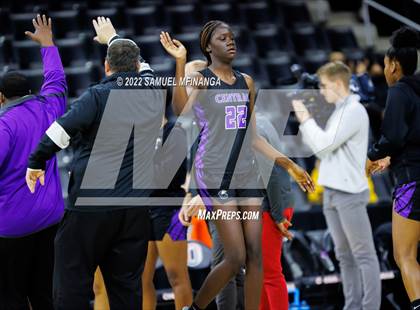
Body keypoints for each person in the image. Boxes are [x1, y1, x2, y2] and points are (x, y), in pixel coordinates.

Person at [160, 20, 314, 310]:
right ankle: (195, 308)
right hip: (215, 174)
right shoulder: (201, 79)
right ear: (208, 46)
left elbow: (253, 137)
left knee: (255, 256)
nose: (231, 41)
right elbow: (180, 109)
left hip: (245, 175)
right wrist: (180, 63)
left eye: (232, 37)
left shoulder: (247, 82)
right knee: (235, 258)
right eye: (222, 38)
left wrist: (290, 165)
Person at [26, 17, 161, 309]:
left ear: (106, 68)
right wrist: (114, 37)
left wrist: (36, 162)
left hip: (90, 209)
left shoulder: (97, 96)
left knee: (71, 286)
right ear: (136, 67)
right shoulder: (151, 90)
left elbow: (58, 133)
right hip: (134, 211)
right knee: (127, 289)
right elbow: (145, 66)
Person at [292, 61, 381, 310]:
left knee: (363, 255)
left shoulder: (354, 111)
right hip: (331, 190)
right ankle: (352, 305)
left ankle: (370, 306)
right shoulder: (340, 110)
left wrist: (304, 116)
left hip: (349, 192)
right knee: (344, 257)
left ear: (339, 84)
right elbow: (321, 149)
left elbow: (322, 145)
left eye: (324, 86)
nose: (321, 91)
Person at [0, 15, 66, 310]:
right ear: (29, 91)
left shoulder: (4, 126)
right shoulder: (51, 107)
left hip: (12, 228)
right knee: (43, 296)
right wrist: (47, 44)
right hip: (51, 219)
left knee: (11, 297)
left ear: (1, 98)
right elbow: (56, 80)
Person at [367, 27, 420, 310]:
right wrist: (392, 157)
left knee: (405, 255)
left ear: (394, 65)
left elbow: (393, 136)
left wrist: (373, 155)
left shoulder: (399, 90)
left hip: (411, 181)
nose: (386, 70)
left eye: (386, 65)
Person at [142, 110, 193, 310]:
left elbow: (168, 175)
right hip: (143, 209)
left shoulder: (175, 132)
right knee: (142, 278)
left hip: (170, 208)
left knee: (176, 275)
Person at [256, 112, 294, 310]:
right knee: (260, 274)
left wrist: (277, 215)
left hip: (271, 205)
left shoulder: (254, 127)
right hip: (273, 202)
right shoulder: (261, 119)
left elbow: (268, 172)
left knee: (270, 274)